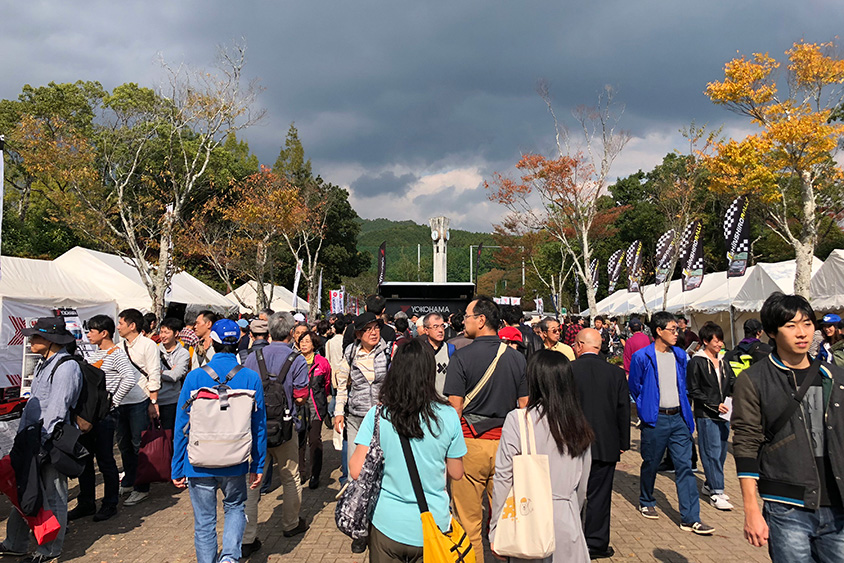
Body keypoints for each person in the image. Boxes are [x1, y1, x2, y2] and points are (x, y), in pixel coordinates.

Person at [733, 293, 844, 561]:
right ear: (772, 331)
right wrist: (751, 510)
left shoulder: (834, 376)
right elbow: (746, 443)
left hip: (837, 506)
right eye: (791, 325)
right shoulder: (754, 379)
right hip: (787, 507)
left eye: (807, 324)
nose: (802, 333)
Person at [349, 340, 467, 562]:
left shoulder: (378, 415)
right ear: (430, 373)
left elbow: (356, 470)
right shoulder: (449, 415)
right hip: (434, 524)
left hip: (387, 523)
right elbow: (457, 472)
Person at [171, 319, 267, 563]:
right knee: (235, 507)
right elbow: (259, 426)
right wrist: (258, 464)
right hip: (235, 459)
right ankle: (229, 558)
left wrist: (177, 466)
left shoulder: (194, 378)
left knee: (204, 521)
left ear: (211, 341)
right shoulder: (251, 378)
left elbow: (181, 426)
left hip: (198, 460)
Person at [443, 296, 528, 563]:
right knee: (508, 518)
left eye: (467, 316)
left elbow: (455, 408)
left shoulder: (461, 357)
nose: (463, 321)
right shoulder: (516, 358)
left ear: (481, 320)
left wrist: (449, 450)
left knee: (468, 522)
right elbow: (524, 406)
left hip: (469, 444)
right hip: (508, 445)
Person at [490, 349, 593, 562]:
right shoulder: (578, 424)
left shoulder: (518, 420)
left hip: (528, 518)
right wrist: (572, 511)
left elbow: (503, 478)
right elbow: (583, 486)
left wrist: (496, 527)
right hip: (567, 517)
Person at [0, 318, 82, 563]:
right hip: (33, 438)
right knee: (25, 490)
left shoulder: (66, 367)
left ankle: (50, 550)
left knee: (54, 495)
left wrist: (43, 444)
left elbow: (57, 410)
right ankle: (15, 543)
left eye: (35, 336)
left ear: (50, 340)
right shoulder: (44, 364)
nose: (30, 340)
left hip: (50, 441)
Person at [628, 311, 714, 535]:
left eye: (677, 329)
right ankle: (646, 499)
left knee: (684, 466)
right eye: (673, 329)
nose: (677, 333)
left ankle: (691, 518)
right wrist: (645, 407)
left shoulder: (680, 355)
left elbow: (683, 383)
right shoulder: (642, 357)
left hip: (679, 419)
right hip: (655, 419)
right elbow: (635, 387)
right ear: (659, 331)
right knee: (651, 462)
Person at [241, 312, 311, 557]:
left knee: (252, 481)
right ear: (292, 333)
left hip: (255, 428)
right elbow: (301, 396)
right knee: (290, 476)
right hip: (285, 428)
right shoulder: (297, 360)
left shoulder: (253, 357)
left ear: (269, 332)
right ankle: (290, 524)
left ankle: (247, 537)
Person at [334, 311, 394, 553]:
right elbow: (341, 386)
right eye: (367, 329)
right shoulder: (350, 353)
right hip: (357, 418)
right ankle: (359, 528)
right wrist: (338, 411)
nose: (373, 332)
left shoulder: (389, 351)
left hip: (383, 419)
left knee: (383, 471)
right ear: (358, 334)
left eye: (376, 327)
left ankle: (381, 523)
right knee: (356, 472)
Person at [71, 315, 137, 523]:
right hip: (88, 415)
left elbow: (129, 378)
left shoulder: (116, 354)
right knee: (85, 459)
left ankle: (110, 503)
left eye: (92, 330)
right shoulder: (95, 354)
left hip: (105, 416)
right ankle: (86, 502)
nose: (88, 334)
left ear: (104, 333)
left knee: (106, 460)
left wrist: (113, 402)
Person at [571, 328, 630, 559]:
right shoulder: (615, 373)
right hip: (606, 442)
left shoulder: (568, 370)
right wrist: (623, 441)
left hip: (574, 442)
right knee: (600, 496)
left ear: (579, 345)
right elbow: (623, 409)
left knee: (571, 493)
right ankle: (596, 543)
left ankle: (572, 538)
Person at [686, 322, 735, 511]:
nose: (720, 344)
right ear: (706, 341)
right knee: (711, 452)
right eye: (716, 341)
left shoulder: (723, 360)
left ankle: (709, 483)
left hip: (724, 412)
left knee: (721, 452)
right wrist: (713, 404)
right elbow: (694, 389)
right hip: (707, 414)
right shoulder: (697, 361)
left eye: (721, 340)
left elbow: (731, 382)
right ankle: (717, 491)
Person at [116, 308, 161, 507]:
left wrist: (153, 401)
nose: (118, 327)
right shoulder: (119, 347)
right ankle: (129, 480)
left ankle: (142, 487)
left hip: (140, 400)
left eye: (121, 323)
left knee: (139, 445)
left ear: (132, 325)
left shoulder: (148, 345)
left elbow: (154, 373)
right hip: (121, 402)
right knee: (123, 444)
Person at [296, 330, 331, 490]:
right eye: (302, 341)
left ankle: (315, 474)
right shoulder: (295, 361)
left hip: (316, 407)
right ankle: (301, 472)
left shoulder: (322, 362)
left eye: (307, 341)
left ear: (314, 344)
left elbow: (327, 384)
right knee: (300, 440)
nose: (304, 344)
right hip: (299, 407)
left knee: (315, 440)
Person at [157, 317, 191, 431]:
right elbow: (149, 371)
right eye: (161, 332)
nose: (163, 336)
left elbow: (175, 375)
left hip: (172, 400)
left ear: (176, 334)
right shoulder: (154, 350)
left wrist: (158, 372)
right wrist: (167, 372)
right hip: (154, 400)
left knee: (169, 434)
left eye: (167, 332)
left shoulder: (183, 353)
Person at [420, 313, 455, 396]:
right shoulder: (420, 350)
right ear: (426, 330)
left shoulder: (450, 350)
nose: (440, 330)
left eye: (442, 326)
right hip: (424, 400)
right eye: (435, 327)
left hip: (445, 400)